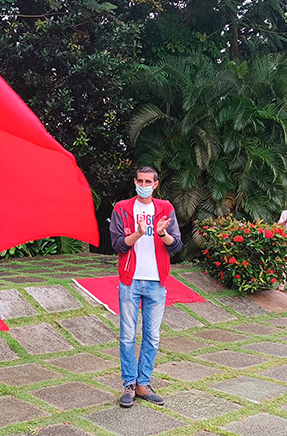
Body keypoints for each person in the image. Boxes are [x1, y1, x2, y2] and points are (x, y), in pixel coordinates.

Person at [109, 166, 182, 408]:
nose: (143, 184)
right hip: (130, 280)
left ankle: (144, 384)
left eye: (148, 181)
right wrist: (139, 233)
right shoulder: (122, 208)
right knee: (128, 336)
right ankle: (129, 385)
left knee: (152, 336)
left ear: (155, 184)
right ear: (135, 182)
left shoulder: (165, 208)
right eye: (140, 180)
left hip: (156, 282)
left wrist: (162, 234)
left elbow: (176, 245)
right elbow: (118, 244)